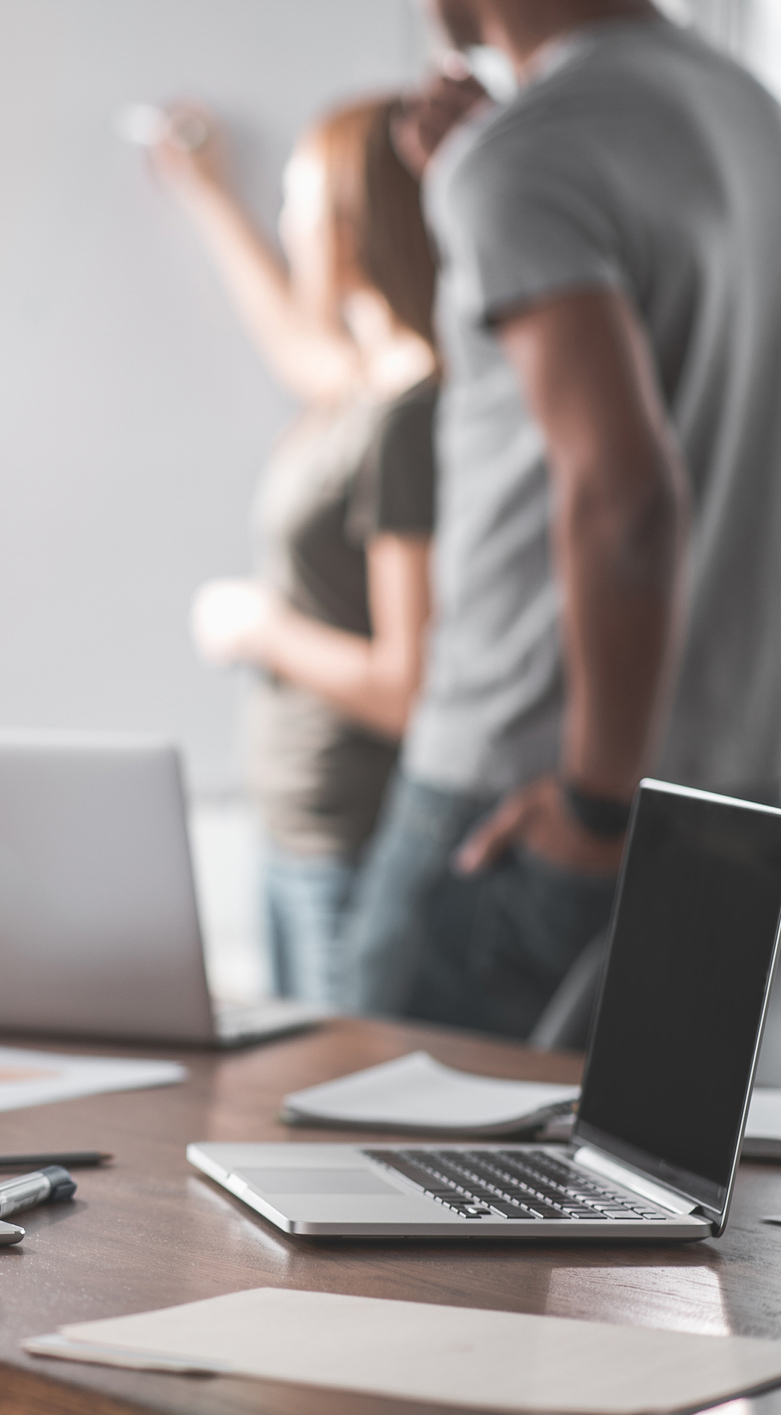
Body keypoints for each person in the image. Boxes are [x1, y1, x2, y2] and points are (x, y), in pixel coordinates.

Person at [342, 0, 781, 1036]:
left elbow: (625, 495)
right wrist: (476, 166)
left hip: (530, 792)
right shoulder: (749, 119)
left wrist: (593, 799)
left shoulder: (530, 155)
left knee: (350, 1164)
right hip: (728, 796)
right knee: (627, 1192)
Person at [152, 98, 439, 1005]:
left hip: (348, 835)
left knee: (330, 1113)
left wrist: (260, 629)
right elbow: (287, 339)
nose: (289, 223)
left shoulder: (408, 419)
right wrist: (204, 192)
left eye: (298, 203)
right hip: (290, 825)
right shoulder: (361, 390)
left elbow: (408, 687)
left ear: (351, 224)